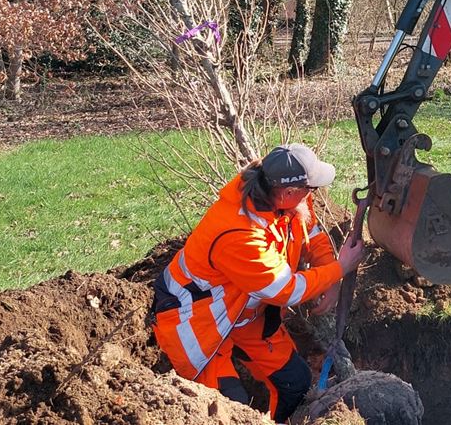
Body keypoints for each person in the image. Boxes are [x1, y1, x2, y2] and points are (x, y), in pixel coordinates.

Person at [152, 144, 364, 422]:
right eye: (310, 188)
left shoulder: (288, 199)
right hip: (196, 323)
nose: (313, 194)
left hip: (244, 312)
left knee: (295, 382)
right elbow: (286, 289)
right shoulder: (239, 233)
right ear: (288, 192)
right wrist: (340, 268)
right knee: (231, 408)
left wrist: (330, 277)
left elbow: (311, 235)